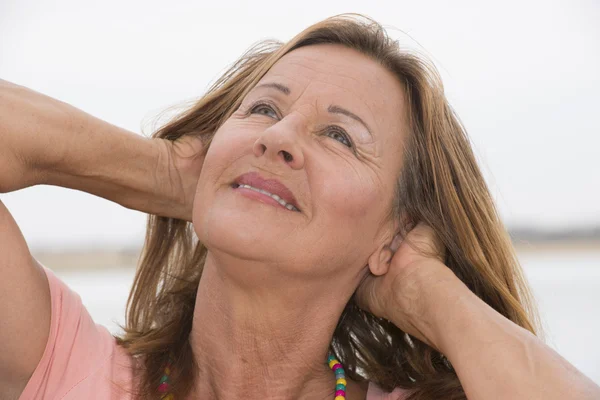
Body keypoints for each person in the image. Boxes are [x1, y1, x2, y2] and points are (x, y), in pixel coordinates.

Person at [1, 14, 598, 400]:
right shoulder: (66, 368)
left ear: (394, 230)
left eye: (339, 136)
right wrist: (161, 171)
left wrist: (423, 288)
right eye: (262, 110)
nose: (278, 138)